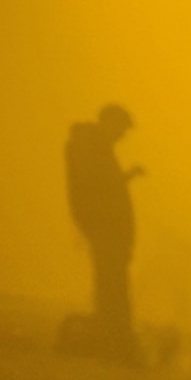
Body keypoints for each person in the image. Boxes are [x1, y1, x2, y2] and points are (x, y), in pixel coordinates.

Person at [62, 104, 140, 363]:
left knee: (113, 282)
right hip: (104, 227)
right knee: (111, 283)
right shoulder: (87, 146)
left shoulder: (95, 147)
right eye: (121, 128)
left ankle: (115, 338)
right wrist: (123, 179)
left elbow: (99, 184)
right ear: (108, 122)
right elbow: (93, 185)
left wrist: (124, 178)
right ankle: (113, 340)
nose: (123, 135)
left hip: (108, 227)